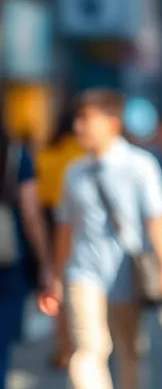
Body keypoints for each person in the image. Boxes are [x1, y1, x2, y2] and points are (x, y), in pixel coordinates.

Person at [54, 88, 162, 389]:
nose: (79, 126)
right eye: (78, 119)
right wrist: (54, 275)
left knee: (132, 352)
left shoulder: (140, 165)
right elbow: (64, 228)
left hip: (129, 271)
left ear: (112, 123)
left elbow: (159, 221)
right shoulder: (74, 171)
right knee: (89, 347)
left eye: (87, 119)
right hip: (84, 272)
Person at [0, 128, 53, 389]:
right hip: (11, 270)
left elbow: (33, 214)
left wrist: (47, 269)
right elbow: (31, 214)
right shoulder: (17, 155)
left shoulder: (16, 155)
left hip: (8, 273)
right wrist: (45, 266)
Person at [35, 106, 83, 369]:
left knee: (58, 283)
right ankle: (79, 341)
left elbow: (39, 195)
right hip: (82, 225)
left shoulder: (46, 155)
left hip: (52, 222)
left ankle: (63, 345)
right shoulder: (84, 155)